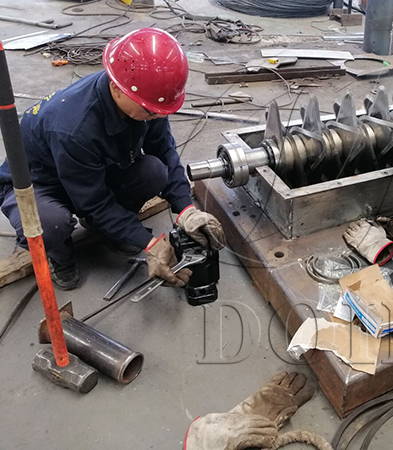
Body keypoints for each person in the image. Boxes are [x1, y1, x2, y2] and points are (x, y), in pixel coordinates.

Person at [0, 28, 226, 291]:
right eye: (149, 111)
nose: (155, 117)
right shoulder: (74, 128)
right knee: (49, 223)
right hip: (40, 184)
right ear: (116, 89)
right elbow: (93, 201)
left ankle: (110, 229)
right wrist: (149, 243)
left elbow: (164, 151)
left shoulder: (145, 100)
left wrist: (186, 210)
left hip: (90, 171)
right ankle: (59, 254)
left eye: (158, 112)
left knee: (154, 171)